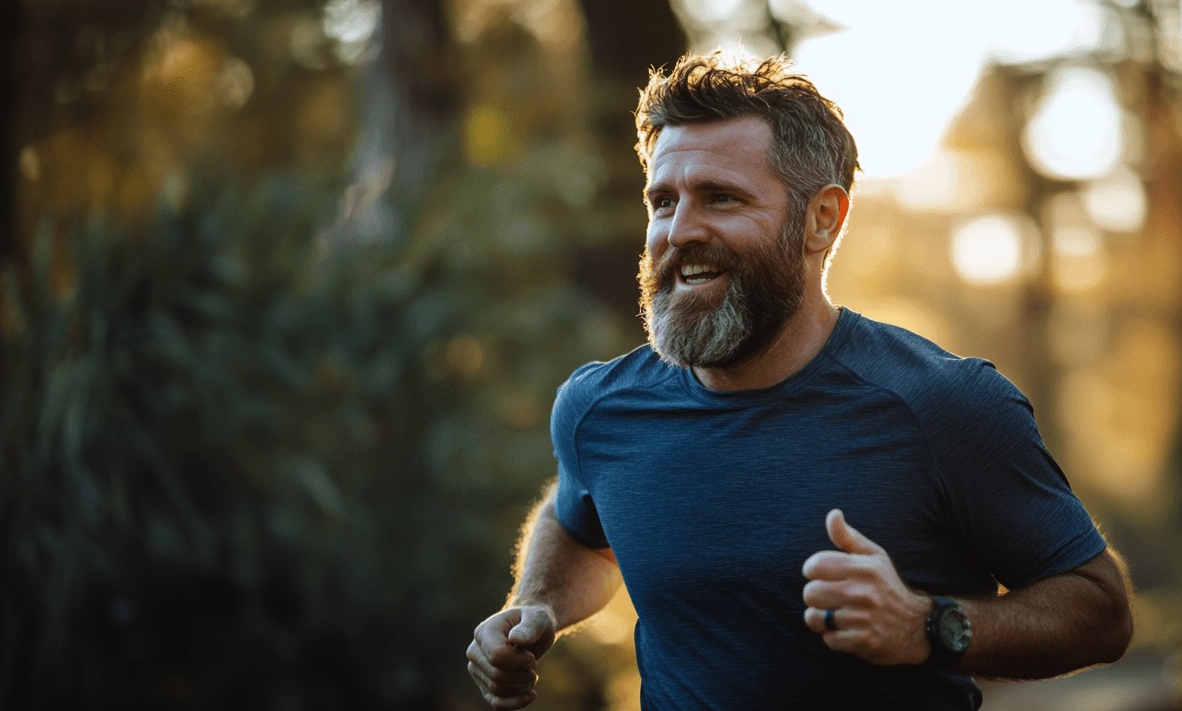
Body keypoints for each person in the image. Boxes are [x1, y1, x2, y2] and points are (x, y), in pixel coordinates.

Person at [466, 52, 1134, 710]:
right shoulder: (599, 409)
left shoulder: (944, 405)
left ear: (822, 220)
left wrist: (928, 626)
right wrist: (535, 608)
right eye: (663, 201)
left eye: (721, 198)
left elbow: (1099, 612)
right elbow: (577, 517)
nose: (679, 231)